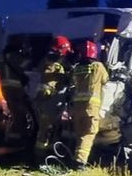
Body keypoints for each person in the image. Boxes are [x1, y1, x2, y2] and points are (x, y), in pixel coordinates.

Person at [69, 39, 109, 168]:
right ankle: (80, 163)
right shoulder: (98, 66)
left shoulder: (77, 68)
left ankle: (76, 158)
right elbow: (106, 79)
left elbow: (72, 83)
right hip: (91, 106)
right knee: (89, 133)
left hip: (77, 106)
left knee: (80, 133)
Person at [33, 35, 73, 159]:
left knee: (52, 127)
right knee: (45, 129)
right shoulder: (52, 61)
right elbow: (56, 77)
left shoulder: (51, 61)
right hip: (47, 99)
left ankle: (49, 152)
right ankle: (39, 156)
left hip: (49, 99)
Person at [0, 38, 33, 145]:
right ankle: (15, 140)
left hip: (7, 89)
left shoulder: (2, 56)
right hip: (14, 89)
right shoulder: (13, 56)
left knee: (16, 113)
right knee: (19, 115)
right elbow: (26, 64)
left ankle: (15, 137)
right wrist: (28, 55)